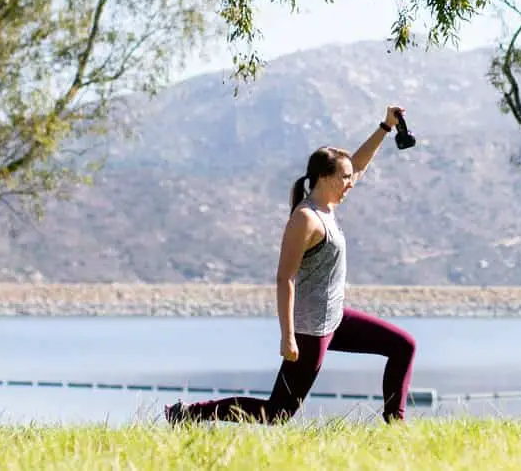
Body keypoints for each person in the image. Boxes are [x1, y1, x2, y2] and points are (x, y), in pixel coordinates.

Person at [165, 105, 417, 425]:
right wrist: (288, 337)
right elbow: (285, 277)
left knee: (403, 346)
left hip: (334, 318)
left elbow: (359, 165)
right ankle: (187, 414)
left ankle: (395, 423)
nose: (351, 181)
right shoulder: (306, 218)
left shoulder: (327, 206)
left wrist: (385, 126)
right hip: (310, 329)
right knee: (277, 413)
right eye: (344, 177)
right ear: (324, 178)